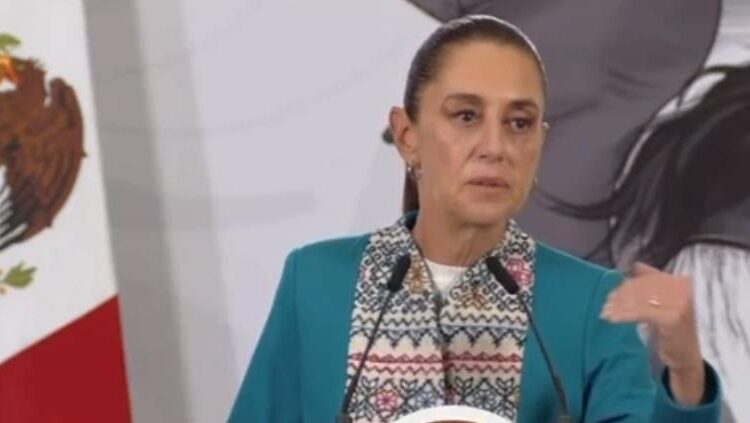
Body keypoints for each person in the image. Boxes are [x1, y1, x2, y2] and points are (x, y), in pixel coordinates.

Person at [229, 16, 721, 422]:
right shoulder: (316, 282)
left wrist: (686, 376)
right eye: (466, 116)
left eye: (519, 123)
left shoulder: (592, 302)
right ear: (407, 136)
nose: (495, 147)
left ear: (540, 143)